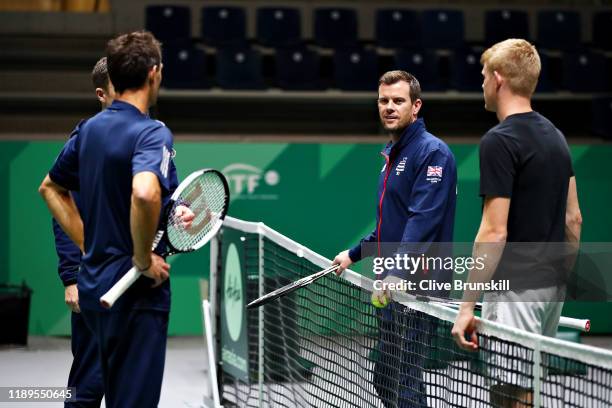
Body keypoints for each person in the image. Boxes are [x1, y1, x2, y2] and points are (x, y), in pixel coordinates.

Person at [39, 31, 186, 408]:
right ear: (154, 73)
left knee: (87, 390)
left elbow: (50, 188)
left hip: (95, 286)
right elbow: (143, 192)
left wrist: (94, 248)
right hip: (134, 293)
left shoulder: (88, 130)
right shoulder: (153, 132)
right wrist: (140, 258)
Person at [451, 39, 582, 406]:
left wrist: (466, 307)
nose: (480, 85)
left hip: (515, 287)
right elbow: (574, 219)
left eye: (481, 77)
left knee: (513, 392)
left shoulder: (499, 141)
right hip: (549, 285)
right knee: (521, 388)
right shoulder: (556, 137)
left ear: (497, 79)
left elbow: (494, 231)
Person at [333, 70, 457, 407]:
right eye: (384, 100)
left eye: (398, 101)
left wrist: (398, 271)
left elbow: (422, 222)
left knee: (403, 380)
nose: (389, 107)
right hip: (391, 284)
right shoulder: (393, 155)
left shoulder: (433, 153)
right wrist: (355, 253)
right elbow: (391, 226)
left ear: (415, 106)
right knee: (387, 376)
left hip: (419, 285)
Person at [52, 56, 114, 407]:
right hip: (95, 279)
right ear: (101, 94)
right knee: (89, 385)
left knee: (129, 386)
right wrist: (72, 276)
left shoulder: (151, 136)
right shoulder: (85, 141)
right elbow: (61, 207)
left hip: (134, 281)